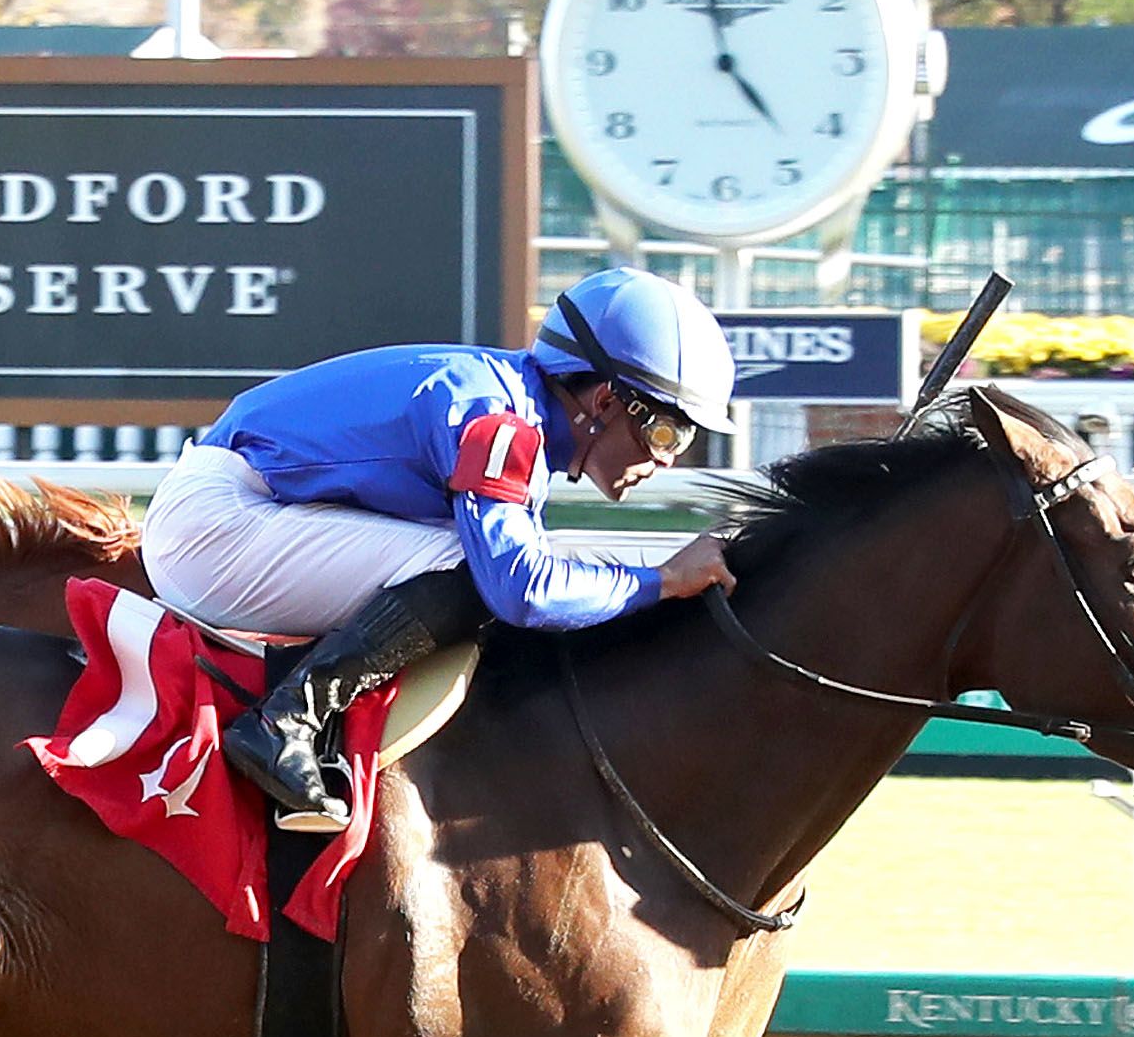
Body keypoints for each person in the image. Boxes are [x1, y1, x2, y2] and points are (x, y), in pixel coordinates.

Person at [139, 266, 742, 831]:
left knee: (479, 562)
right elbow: (522, 589)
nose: (667, 459)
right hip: (217, 526)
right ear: (605, 401)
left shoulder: (511, 402)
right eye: (668, 430)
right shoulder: (500, 422)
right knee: (477, 572)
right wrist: (659, 580)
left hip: (240, 510)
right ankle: (285, 721)